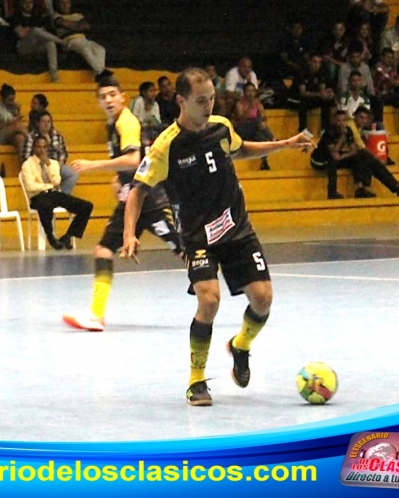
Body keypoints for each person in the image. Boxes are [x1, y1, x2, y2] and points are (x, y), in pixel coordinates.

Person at [121, 67, 313, 407]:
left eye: (211, 97)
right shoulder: (166, 147)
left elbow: (240, 150)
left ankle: (240, 346)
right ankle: (196, 380)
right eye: (200, 100)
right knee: (208, 300)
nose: (208, 105)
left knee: (263, 299)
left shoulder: (221, 126)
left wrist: (284, 144)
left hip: (237, 227)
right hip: (198, 236)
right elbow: (137, 192)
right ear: (181, 101)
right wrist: (129, 234)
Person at [63, 74, 182, 332]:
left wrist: (94, 165)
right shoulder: (113, 124)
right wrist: (118, 178)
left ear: (122, 96)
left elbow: (133, 160)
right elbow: (127, 165)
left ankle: (229, 279)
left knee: (183, 250)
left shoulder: (126, 122)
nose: (108, 100)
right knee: (104, 251)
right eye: (103, 97)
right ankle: (96, 317)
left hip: (146, 197)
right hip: (132, 196)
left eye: (112, 95)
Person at [321, 110, 399, 199]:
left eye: (344, 120)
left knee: (364, 157)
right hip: (322, 160)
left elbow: (354, 150)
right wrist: (343, 136)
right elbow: (334, 152)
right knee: (336, 161)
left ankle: (394, 186)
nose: (341, 123)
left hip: (339, 157)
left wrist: (342, 156)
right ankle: (332, 192)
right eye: (338, 120)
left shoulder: (348, 129)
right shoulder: (329, 132)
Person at [21, 135, 93, 249]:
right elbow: (30, 186)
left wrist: (48, 165)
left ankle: (68, 235)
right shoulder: (27, 165)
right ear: (34, 148)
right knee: (45, 205)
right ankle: (51, 236)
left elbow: (57, 181)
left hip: (54, 194)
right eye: (39, 147)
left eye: (44, 147)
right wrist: (48, 186)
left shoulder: (53, 163)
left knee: (86, 206)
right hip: (37, 196)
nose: (42, 150)